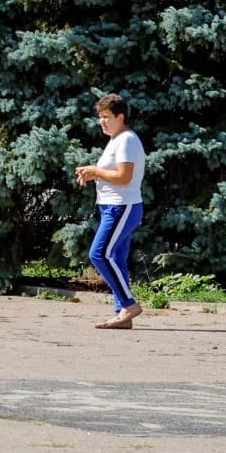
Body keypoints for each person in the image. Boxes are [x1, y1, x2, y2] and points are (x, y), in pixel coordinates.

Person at [75, 92, 145, 329]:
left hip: (121, 207)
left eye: (106, 117)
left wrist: (95, 171)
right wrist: (91, 173)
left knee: (99, 253)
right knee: (115, 258)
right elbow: (112, 173)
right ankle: (122, 314)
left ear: (120, 116)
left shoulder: (127, 140)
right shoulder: (116, 140)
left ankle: (129, 304)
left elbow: (124, 177)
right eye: (100, 117)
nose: (102, 121)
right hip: (112, 207)